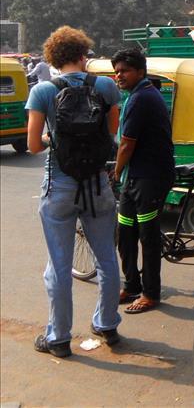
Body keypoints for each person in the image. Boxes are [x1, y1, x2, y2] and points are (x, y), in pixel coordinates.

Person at [25, 26, 122, 357]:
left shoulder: (43, 91)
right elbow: (111, 134)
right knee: (107, 259)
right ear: (84, 55)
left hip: (60, 185)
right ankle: (107, 324)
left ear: (53, 58)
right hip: (97, 184)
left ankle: (59, 338)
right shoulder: (106, 86)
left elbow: (33, 145)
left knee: (59, 264)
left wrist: (57, 140)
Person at [112, 48, 175, 314]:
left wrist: (116, 171)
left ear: (139, 71)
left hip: (149, 177)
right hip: (136, 177)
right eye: (116, 72)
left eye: (124, 71)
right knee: (124, 232)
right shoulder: (137, 95)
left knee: (148, 237)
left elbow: (127, 145)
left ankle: (150, 293)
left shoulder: (142, 98)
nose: (119, 76)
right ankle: (132, 284)